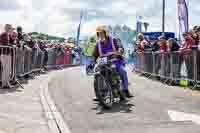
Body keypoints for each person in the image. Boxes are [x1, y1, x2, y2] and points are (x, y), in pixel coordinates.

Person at [92, 25, 133, 98]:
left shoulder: (113, 40)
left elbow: (120, 47)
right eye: (99, 33)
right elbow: (94, 54)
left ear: (105, 33)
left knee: (123, 71)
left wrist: (120, 50)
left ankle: (126, 89)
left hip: (115, 61)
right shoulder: (98, 44)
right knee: (96, 73)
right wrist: (92, 61)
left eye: (102, 33)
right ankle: (99, 94)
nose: (100, 35)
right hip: (104, 63)